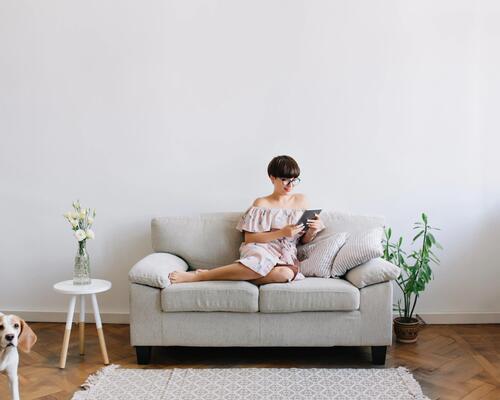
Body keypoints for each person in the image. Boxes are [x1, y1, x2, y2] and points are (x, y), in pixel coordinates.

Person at [169, 155, 325, 284]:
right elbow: (250, 238)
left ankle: (242, 276)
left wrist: (313, 230)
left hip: (286, 254)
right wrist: (282, 232)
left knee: (284, 274)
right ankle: (202, 276)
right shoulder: (261, 203)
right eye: (285, 179)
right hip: (261, 248)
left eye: (294, 180)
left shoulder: (302, 201)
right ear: (272, 178)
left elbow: (304, 240)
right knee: (259, 262)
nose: (290, 185)